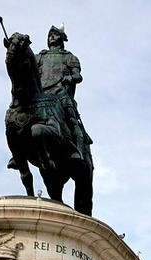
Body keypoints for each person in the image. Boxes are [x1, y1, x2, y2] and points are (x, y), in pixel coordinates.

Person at [36, 25, 91, 163]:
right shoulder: (40, 57)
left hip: (60, 94)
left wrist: (71, 78)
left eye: (55, 34)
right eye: (50, 35)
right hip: (41, 96)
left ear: (62, 38)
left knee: (72, 120)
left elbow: (78, 76)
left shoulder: (69, 57)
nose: (52, 37)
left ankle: (78, 149)